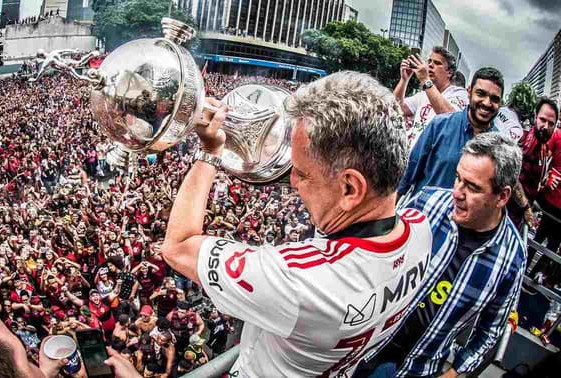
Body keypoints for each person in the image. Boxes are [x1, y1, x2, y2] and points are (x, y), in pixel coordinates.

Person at [162, 71, 433, 376]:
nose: (291, 182)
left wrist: (210, 152)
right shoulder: (420, 229)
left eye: (302, 174)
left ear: (350, 189)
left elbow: (178, 247)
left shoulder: (298, 281)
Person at [360, 133, 526, 377]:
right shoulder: (427, 203)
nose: (457, 192)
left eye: (472, 187)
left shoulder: (512, 259)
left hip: (419, 369)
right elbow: (375, 257)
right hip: (366, 345)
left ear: (502, 196)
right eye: (458, 178)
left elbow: (490, 333)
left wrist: (454, 373)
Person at [398, 67, 504, 199]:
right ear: (469, 92)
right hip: (423, 214)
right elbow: (410, 170)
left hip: (466, 219)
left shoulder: (499, 145)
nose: (487, 103)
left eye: (494, 99)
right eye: (481, 93)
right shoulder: (440, 125)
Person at [394, 46, 468, 148]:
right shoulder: (424, 94)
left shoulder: (459, 94)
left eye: (437, 63)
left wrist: (425, 79)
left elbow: (451, 120)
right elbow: (396, 108)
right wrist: (404, 80)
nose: (430, 65)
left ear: (449, 72)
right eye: (429, 61)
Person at [519, 98, 561, 278]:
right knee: (538, 237)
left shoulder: (548, 139)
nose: (546, 126)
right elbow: (513, 178)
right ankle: (524, 270)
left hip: (539, 202)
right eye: (543, 120)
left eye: (550, 123)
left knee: (552, 243)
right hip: (548, 201)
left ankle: (535, 275)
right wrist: (549, 177)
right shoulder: (533, 139)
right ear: (536, 117)